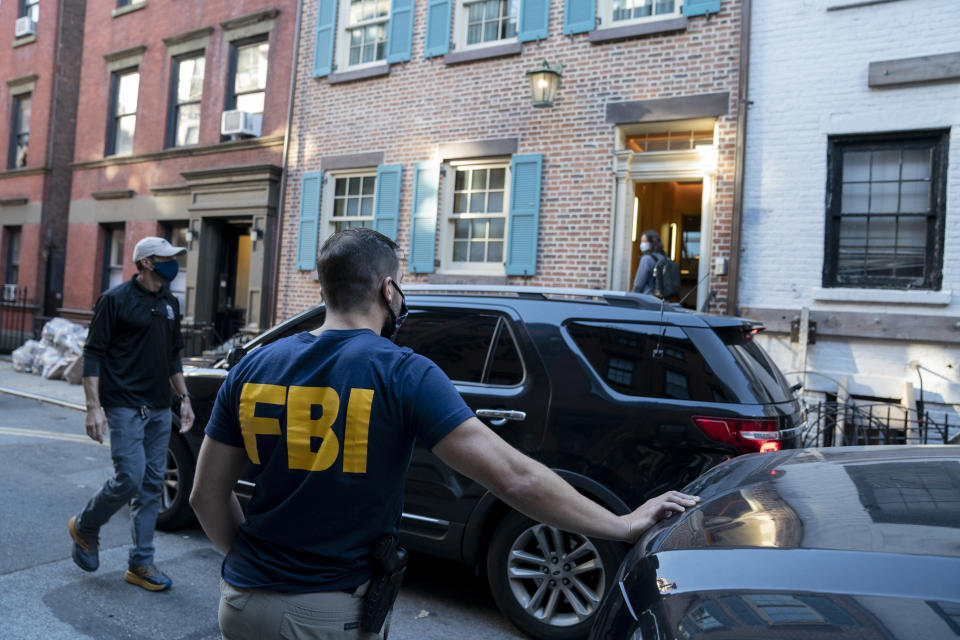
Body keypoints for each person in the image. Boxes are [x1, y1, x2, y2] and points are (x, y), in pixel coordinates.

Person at [190, 228, 698, 639]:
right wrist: (623, 525)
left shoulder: (255, 366)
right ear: (388, 291)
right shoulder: (403, 372)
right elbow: (515, 479)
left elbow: (204, 495)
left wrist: (251, 569)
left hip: (241, 603)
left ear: (324, 289)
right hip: (327, 616)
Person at [68, 236, 196, 592]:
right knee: (130, 478)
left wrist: (183, 397)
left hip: (159, 408)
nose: (175, 264)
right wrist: (93, 408)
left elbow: (173, 356)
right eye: (166, 258)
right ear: (147, 263)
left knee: (152, 485)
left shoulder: (171, 303)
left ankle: (140, 562)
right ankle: (86, 525)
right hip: (123, 405)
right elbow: (93, 354)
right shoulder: (114, 300)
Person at [631, 229, 666, 296]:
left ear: (652, 243)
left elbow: (638, 284)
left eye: (644, 241)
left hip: (647, 297)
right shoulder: (663, 258)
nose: (642, 244)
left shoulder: (646, 259)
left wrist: (632, 296)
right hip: (661, 299)